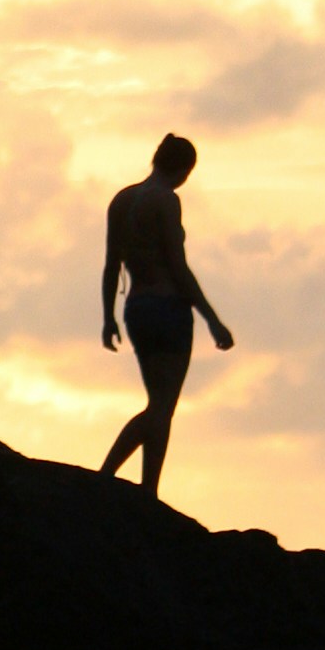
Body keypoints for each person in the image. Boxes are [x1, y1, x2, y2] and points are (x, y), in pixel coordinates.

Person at [99, 131, 232, 500]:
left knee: (158, 404)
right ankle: (114, 478)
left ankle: (144, 490)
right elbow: (178, 266)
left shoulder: (122, 200)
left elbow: (111, 265)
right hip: (168, 308)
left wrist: (108, 316)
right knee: (161, 407)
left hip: (137, 308)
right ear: (183, 169)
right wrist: (211, 318)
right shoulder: (166, 201)